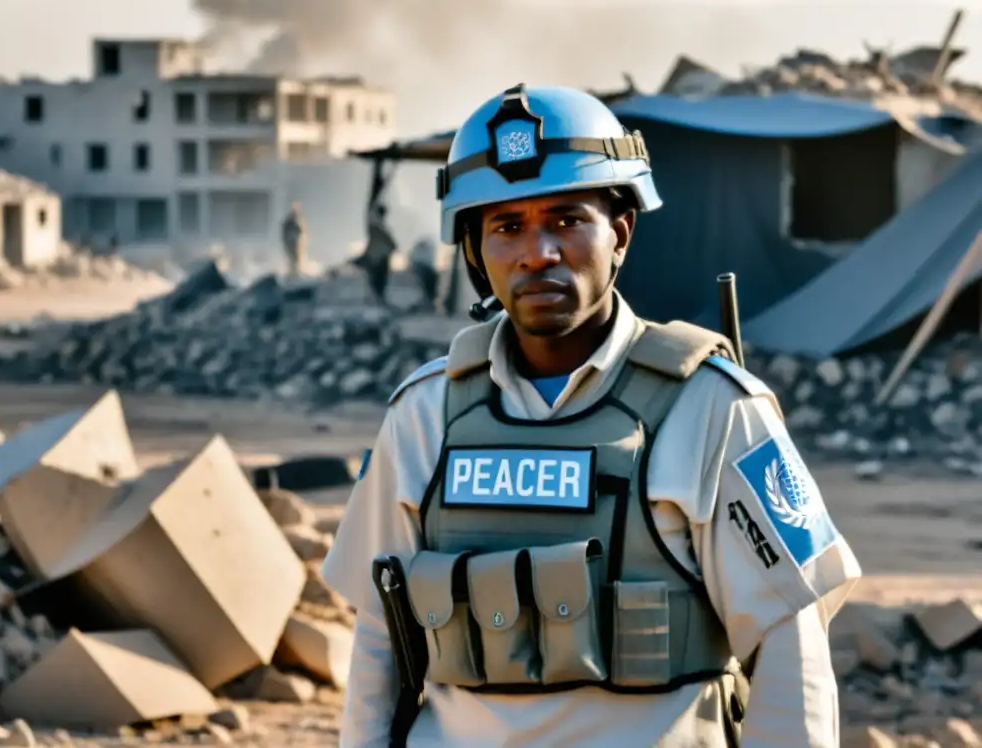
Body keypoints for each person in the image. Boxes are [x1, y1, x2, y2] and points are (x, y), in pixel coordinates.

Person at [321, 83, 860, 747]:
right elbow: (380, 639)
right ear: (474, 251)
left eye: (567, 219)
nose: (537, 252)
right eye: (506, 226)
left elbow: (788, 646)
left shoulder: (714, 408)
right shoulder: (425, 414)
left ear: (621, 233)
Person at [281, 202, 306, 274]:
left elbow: (302, 231)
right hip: (292, 242)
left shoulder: (298, 220)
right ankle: (293, 271)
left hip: (295, 242)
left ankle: (295, 271)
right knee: (294, 258)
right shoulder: (291, 220)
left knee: (296, 258)